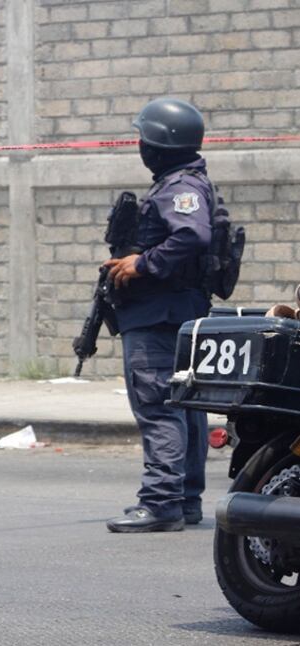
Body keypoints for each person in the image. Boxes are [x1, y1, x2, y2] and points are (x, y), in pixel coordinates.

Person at [103, 98, 213, 533]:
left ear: (160, 144)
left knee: (160, 406)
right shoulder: (184, 182)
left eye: (144, 138)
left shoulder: (179, 187)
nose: (140, 146)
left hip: (159, 315)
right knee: (186, 407)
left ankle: (162, 502)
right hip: (179, 313)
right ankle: (184, 500)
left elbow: (193, 234)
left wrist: (141, 265)